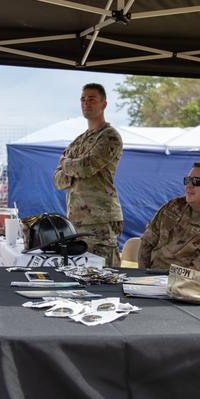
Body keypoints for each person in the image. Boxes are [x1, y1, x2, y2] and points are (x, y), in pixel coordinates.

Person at [53, 83, 124, 266]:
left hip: (100, 220)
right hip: (76, 220)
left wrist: (67, 165)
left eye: (91, 99)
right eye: (83, 99)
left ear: (104, 104)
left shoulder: (109, 136)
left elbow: (86, 167)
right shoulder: (79, 141)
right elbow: (57, 180)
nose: (86, 103)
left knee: (105, 276)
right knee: (80, 277)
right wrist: (74, 168)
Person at [137, 162, 200, 276]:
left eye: (196, 182)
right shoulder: (174, 206)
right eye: (187, 180)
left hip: (185, 288)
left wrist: (162, 282)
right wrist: (144, 276)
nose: (188, 186)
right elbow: (147, 243)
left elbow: (198, 273)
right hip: (151, 279)